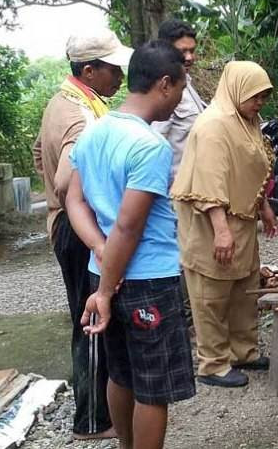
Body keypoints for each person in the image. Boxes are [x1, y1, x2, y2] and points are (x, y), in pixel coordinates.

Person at [65, 40, 196, 449]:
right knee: (153, 388)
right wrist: (107, 287)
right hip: (146, 281)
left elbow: (74, 200)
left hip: (102, 272)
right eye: (180, 88)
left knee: (120, 373)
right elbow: (128, 226)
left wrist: (101, 257)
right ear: (163, 84)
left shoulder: (95, 131)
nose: (178, 100)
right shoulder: (149, 146)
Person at [32, 27, 132, 440]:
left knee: (88, 315)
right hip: (79, 228)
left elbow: (38, 151)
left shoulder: (63, 101)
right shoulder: (81, 115)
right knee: (92, 319)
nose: (120, 78)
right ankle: (92, 420)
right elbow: (62, 179)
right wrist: (81, 209)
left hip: (70, 224)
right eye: (113, 70)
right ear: (89, 71)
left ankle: (98, 414)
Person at [171, 61, 278, 388]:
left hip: (241, 219)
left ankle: (243, 351)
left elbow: (250, 170)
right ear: (236, 90)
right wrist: (221, 229)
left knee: (245, 290)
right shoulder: (213, 126)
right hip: (211, 222)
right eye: (255, 97)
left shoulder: (248, 121)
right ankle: (213, 364)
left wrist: (264, 208)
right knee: (211, 295)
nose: (260, 104)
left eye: (264, 97)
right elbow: (208, 181)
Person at [151, 19, 207, 179]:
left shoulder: (186, 83)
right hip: (172, 191)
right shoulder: (163, 89)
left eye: (192, 50)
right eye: (183, 51)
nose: (189, 57)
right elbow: (154, 144)